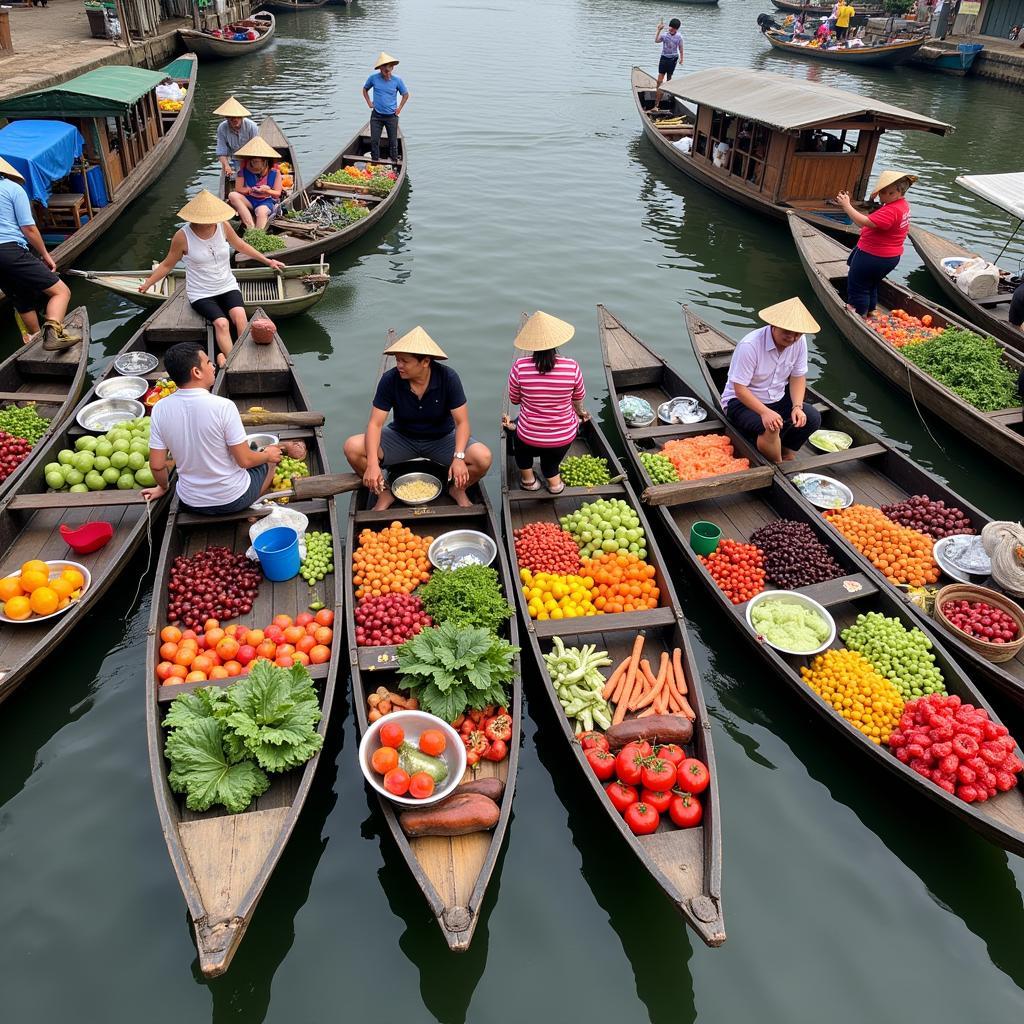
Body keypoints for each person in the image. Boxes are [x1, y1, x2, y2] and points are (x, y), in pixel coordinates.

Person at [141, 341, 306, 513]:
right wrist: (267, 456)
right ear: (196, 372)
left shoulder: (160, 409)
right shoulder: (223, 406)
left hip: (190, 503)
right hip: (233, 500)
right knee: (269, 459)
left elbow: (157, 465)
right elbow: (245, 461)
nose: (213, 366)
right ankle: (257, 496)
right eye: (207, 363)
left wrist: (163, 487)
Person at [343, 327, 492, 510]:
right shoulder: (390, 379)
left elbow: (462, 423)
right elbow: (375, 424)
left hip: (442, 438)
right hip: (402, 437)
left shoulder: (448, 378)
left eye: (405, 361)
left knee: (483, 457)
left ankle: (457, 489)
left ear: (425, 362)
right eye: (397, 360)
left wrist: (459, 457)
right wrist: (372, 464)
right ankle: (384, 493)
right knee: (352, 447)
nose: (399, 366)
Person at [138, 190, 285, 366]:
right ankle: (233, 363)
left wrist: (268, 261)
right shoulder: (182, 237)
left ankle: (244, 355)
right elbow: (167, 265)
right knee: (222, 323)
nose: (211, 222)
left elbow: (241, 245)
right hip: (201, 292)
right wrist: (148, 283)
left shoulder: (223, 226)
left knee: (240, 316)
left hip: (227, 284)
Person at [721, 297, 823, 464]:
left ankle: (787, 452)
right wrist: (764, 412)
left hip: (776, 396)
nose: (792, 338)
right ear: (774, 326)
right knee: (771, 427)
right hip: (740, 401)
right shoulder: (750, 345)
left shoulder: (800, 341)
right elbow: (739, 389)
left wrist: (797, 406)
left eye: (797, 334)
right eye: (787, 332)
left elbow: (798, 376)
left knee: (812, 417)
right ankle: (778, 463)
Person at [503, 311, 588, 495]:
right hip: (563, 436)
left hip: (529, 435)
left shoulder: (520, 366)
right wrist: (581, 413)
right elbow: (578, 399)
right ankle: (555, 484)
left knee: (521, 446)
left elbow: (515, 400)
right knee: (551, 459)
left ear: (531, 344)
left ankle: (528, 481)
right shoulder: (572, 366)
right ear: (556, 343)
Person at [0, 157, 80, 350]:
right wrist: (45, 254)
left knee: (21, 298)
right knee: (61, 292)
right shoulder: (12, 188)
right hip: (9, 250)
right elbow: (28, 228)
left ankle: (36, 339)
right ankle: (52, 334)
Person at [835, 169, 916, 316]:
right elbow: (877, 217)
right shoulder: (902, 205)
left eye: (890, 193)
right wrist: (875, 199)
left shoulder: (891, 211)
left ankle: (858, 315)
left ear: (900, 192)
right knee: (870, 285)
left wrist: (847, 206)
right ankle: (871, 312)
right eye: (883, 192)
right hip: (889, 257)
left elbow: (864, 223)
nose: (885, 195)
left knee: (858, 286)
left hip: (873, 256)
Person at [227, 136, 283, 230]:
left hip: (265, 201)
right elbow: (239, 189)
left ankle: (258, 233)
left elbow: (277, 193)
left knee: (261, 212)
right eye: (252, 161)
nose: (253, 164)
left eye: (256, 161)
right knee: (232, 195)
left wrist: (267, 190)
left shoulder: (275, 172)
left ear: (264, 161)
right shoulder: (243, 171)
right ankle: (250, 227)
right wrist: (250, 190)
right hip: (249, 200)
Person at [362, 52, 409, 164]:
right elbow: (365, 89)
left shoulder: (397, 80)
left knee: (393, 142)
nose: (387, 74)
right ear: (380, 69)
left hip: (391, 116)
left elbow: (405, 95)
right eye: (385, 71)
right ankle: (375, 161)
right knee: (374, 140)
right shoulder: (373, 78)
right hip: (376, 115)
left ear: (392, 68)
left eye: (389, 71)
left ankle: (394, 161)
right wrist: (369, 102)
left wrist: (399, 108)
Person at [214, 97, 258, 179]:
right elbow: (221, 151)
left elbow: (255, 149)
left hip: (251, 157)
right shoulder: (222, 128)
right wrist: (226, 166)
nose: (235, 119)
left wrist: (250, 164)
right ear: (227, 118)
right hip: (235, 158)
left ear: (241, 117)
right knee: (237, 175)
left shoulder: (252, 126)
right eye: (231, 117)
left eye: (237, 117)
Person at [653, 18, 684, 108]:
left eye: (673, 28)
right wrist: (658, 30)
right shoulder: (665, 35)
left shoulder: (679, 37)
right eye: (670, 26)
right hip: (664, 58)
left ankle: (669, 96)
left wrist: (682, 59)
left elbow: (681, 49)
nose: (671, 29)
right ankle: (657, 103)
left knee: (669, 78)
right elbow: (656, 40)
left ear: (676, 29)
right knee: (659, 80)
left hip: (673, 58)